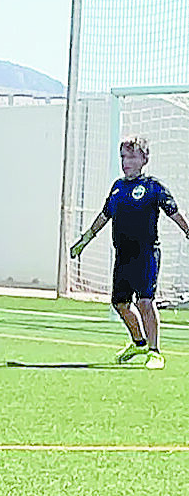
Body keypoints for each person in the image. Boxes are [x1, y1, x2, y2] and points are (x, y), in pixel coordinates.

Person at [70, 136, 189, 370]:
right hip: (122, 255)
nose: (126, 162)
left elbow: (173, 212)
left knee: (145, 301)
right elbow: (104, 216)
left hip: (146, 254)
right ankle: (138, 342)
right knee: (120, 303)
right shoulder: (117, 187)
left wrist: (188, 231)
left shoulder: (153, 187)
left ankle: (154, 352)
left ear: (144, 159)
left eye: (132, 156)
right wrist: (85, 240)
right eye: (123, 157)